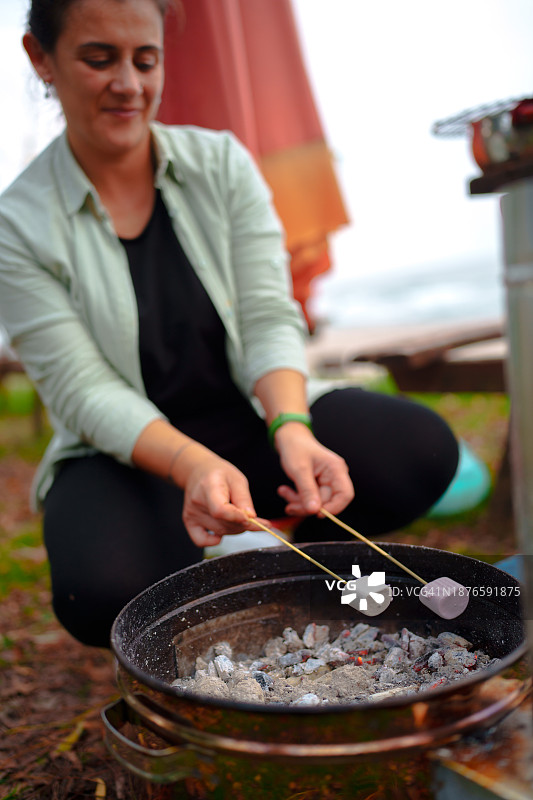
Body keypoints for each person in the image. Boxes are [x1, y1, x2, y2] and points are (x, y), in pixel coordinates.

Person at [0, 0, 459, 648]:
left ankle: (297, 586)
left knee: (418, 450)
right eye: (99, 58)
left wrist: (292, 428)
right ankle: (208, 583)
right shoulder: (17, 222)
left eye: (146, 59)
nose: (129, 84)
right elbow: (80, 390)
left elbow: (270, 310)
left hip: (248, 416)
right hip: (127, 452)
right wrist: (189, 465)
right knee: (99, 590)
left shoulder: (221, 164)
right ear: (40, 59)